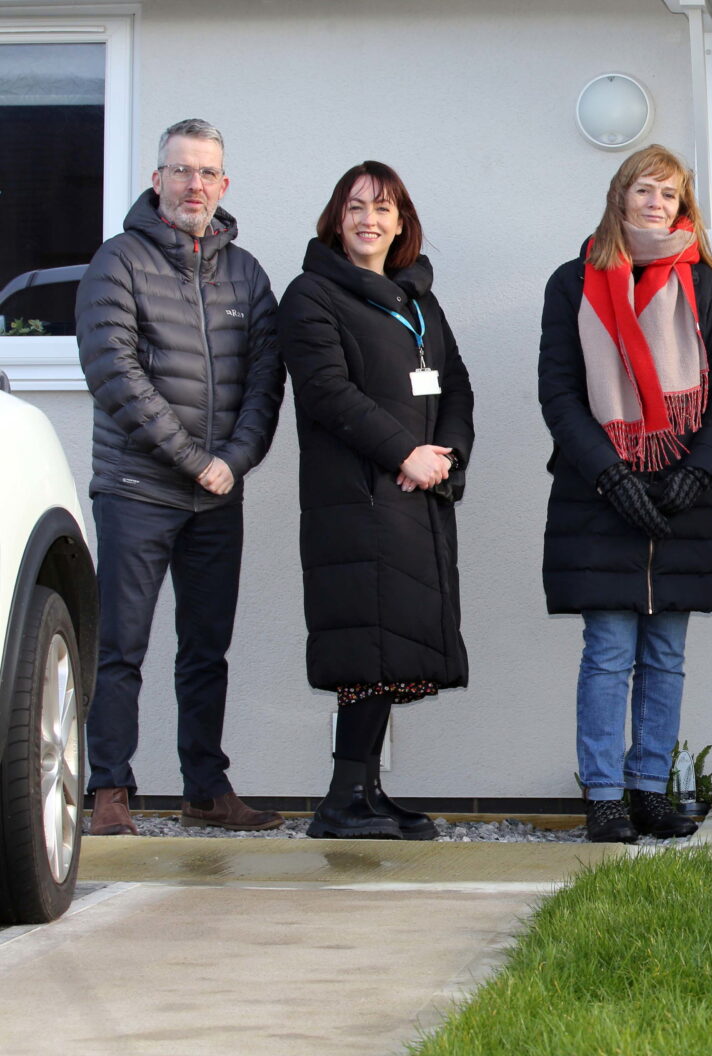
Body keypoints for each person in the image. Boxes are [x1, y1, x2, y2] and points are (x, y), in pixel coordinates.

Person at [75, 119, 285, 836]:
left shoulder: (247, 273)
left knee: (205, 650)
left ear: (224, 185)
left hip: (219, 496)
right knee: (120, 648)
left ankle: (205, 787)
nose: (195, 184)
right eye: (182, 170)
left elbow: (265, 383)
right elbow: (115, 375)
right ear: (156, 178)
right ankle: (108, 792)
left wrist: (234, 460)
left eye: (208, 173)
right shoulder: (118, 262)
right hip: (138, 491)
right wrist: (196, 459)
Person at [539, 145, 712, 844]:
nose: (656, 204)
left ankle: (649, 789)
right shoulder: (573, 283)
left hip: (684, 491)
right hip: (602, 494)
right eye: (645, 190)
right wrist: (610, 474)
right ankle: (603, 796)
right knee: (608, 650)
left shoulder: (702, 285)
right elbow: (560, 395)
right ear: (619, 195)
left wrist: (700, 468)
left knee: (665, 654)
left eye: (670, 194)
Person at [278, 162, 474, 840]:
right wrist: (405, 455)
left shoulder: (421, 301)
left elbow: (456, 390)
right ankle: (341, 801)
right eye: (357, 206)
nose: (370, 218)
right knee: (366, 646)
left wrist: (445, 458)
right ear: (337, 218)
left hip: (417, 498)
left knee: (394, 648)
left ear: (402, 222)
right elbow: (330, 394)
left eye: (384, 207)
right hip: (356, 500)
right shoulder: (311, 296)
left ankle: (366, 792)